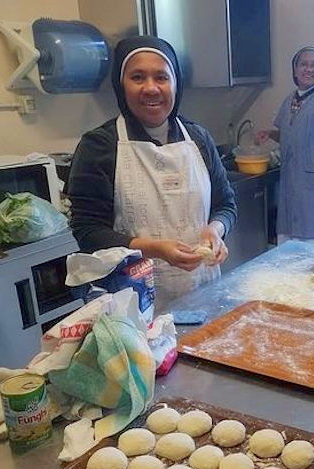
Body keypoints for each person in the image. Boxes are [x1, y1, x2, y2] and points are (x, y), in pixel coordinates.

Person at [67, 36, 236, 310]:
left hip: (203, 291)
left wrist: (217, 230)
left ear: (175, 83)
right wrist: (156, 249)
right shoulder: (100, 146)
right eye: (137, 77)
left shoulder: (198, 138)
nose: (151, 88)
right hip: (133, 303)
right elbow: (87, 231)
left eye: (161, 77)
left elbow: (225, 204)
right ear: (121, 86)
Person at [257, 46, 314, 247]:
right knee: (290, 242)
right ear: (295, 70)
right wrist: (271, 134)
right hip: (291, 183)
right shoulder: (290, 100)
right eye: (303, 64)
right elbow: (293, 136)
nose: (308, 69)